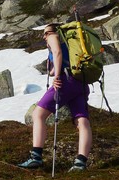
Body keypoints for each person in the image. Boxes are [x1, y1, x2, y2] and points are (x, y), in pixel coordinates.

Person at [18, 23, 92, 172]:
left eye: (46, 33)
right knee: (82, 121)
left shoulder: (54, 37)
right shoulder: (70, 43)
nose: (45, 36)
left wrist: (57, 76)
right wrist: (52, 70)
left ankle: (36, 156)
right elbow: (63, 59)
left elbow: (58, 53)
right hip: (81, 83)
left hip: (65, 82)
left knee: (38, 114)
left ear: (54, 31)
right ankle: (80, 162)